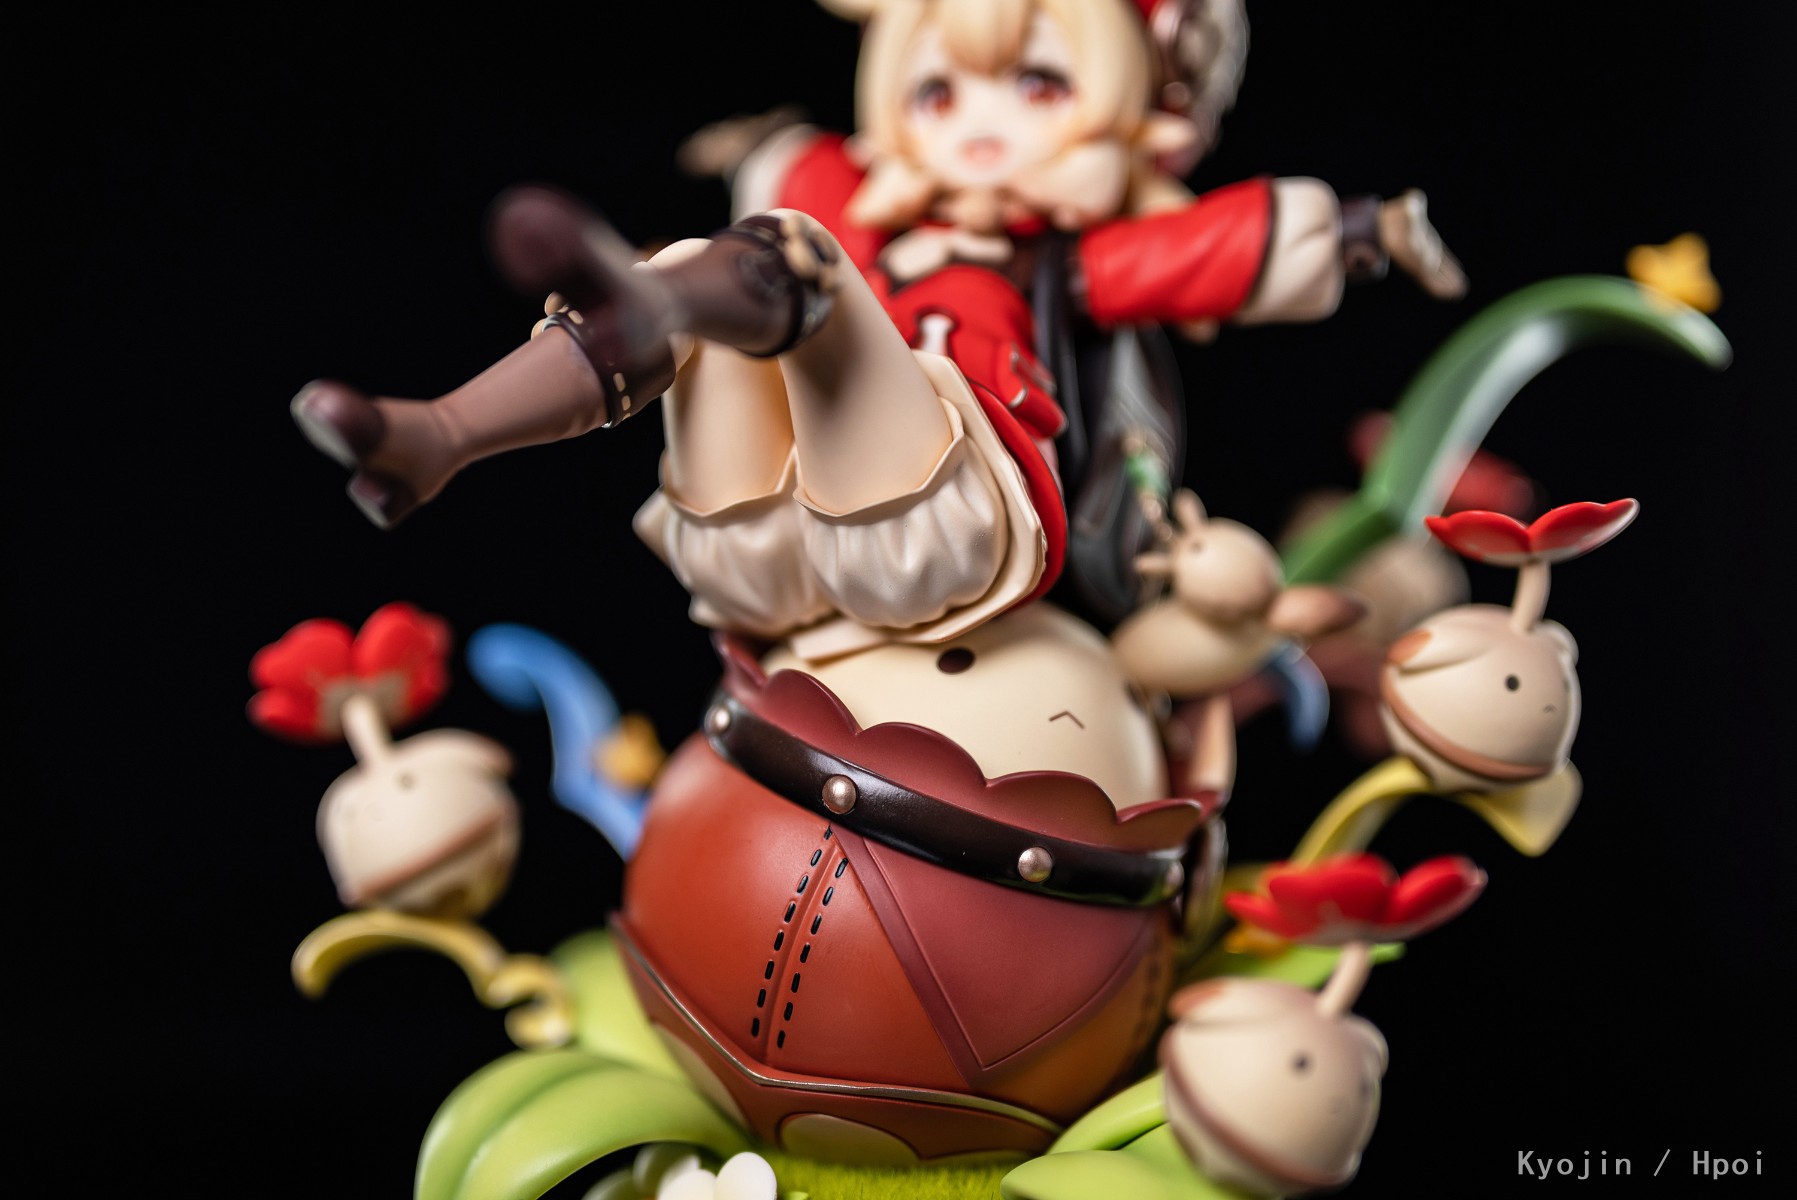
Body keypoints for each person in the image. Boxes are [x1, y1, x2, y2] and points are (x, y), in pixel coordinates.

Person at [293, 0, 1462, 660]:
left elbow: (1225, 245)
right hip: (769, 543)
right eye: (940, 93)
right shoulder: (862, 204)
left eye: (1039, 88)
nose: (981, 126)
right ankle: (438, 433)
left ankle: (663, 302)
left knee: (785, 253)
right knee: (722, 259)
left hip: (960, 510)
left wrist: (1369, 231)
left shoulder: (1068, 260)